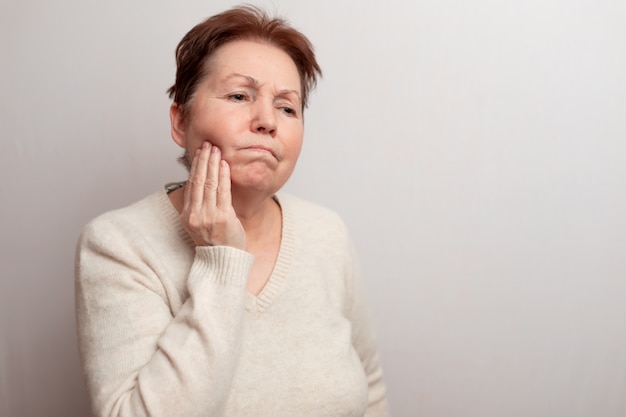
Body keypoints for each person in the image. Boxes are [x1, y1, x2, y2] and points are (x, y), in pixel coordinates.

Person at [75, 5, 390, 417]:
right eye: (240, 96)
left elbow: (371, 388)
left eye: (287, 107)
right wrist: (220, 259)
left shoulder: (327, 232)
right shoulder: (117, 245)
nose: (267, 121)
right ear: (180, 122)